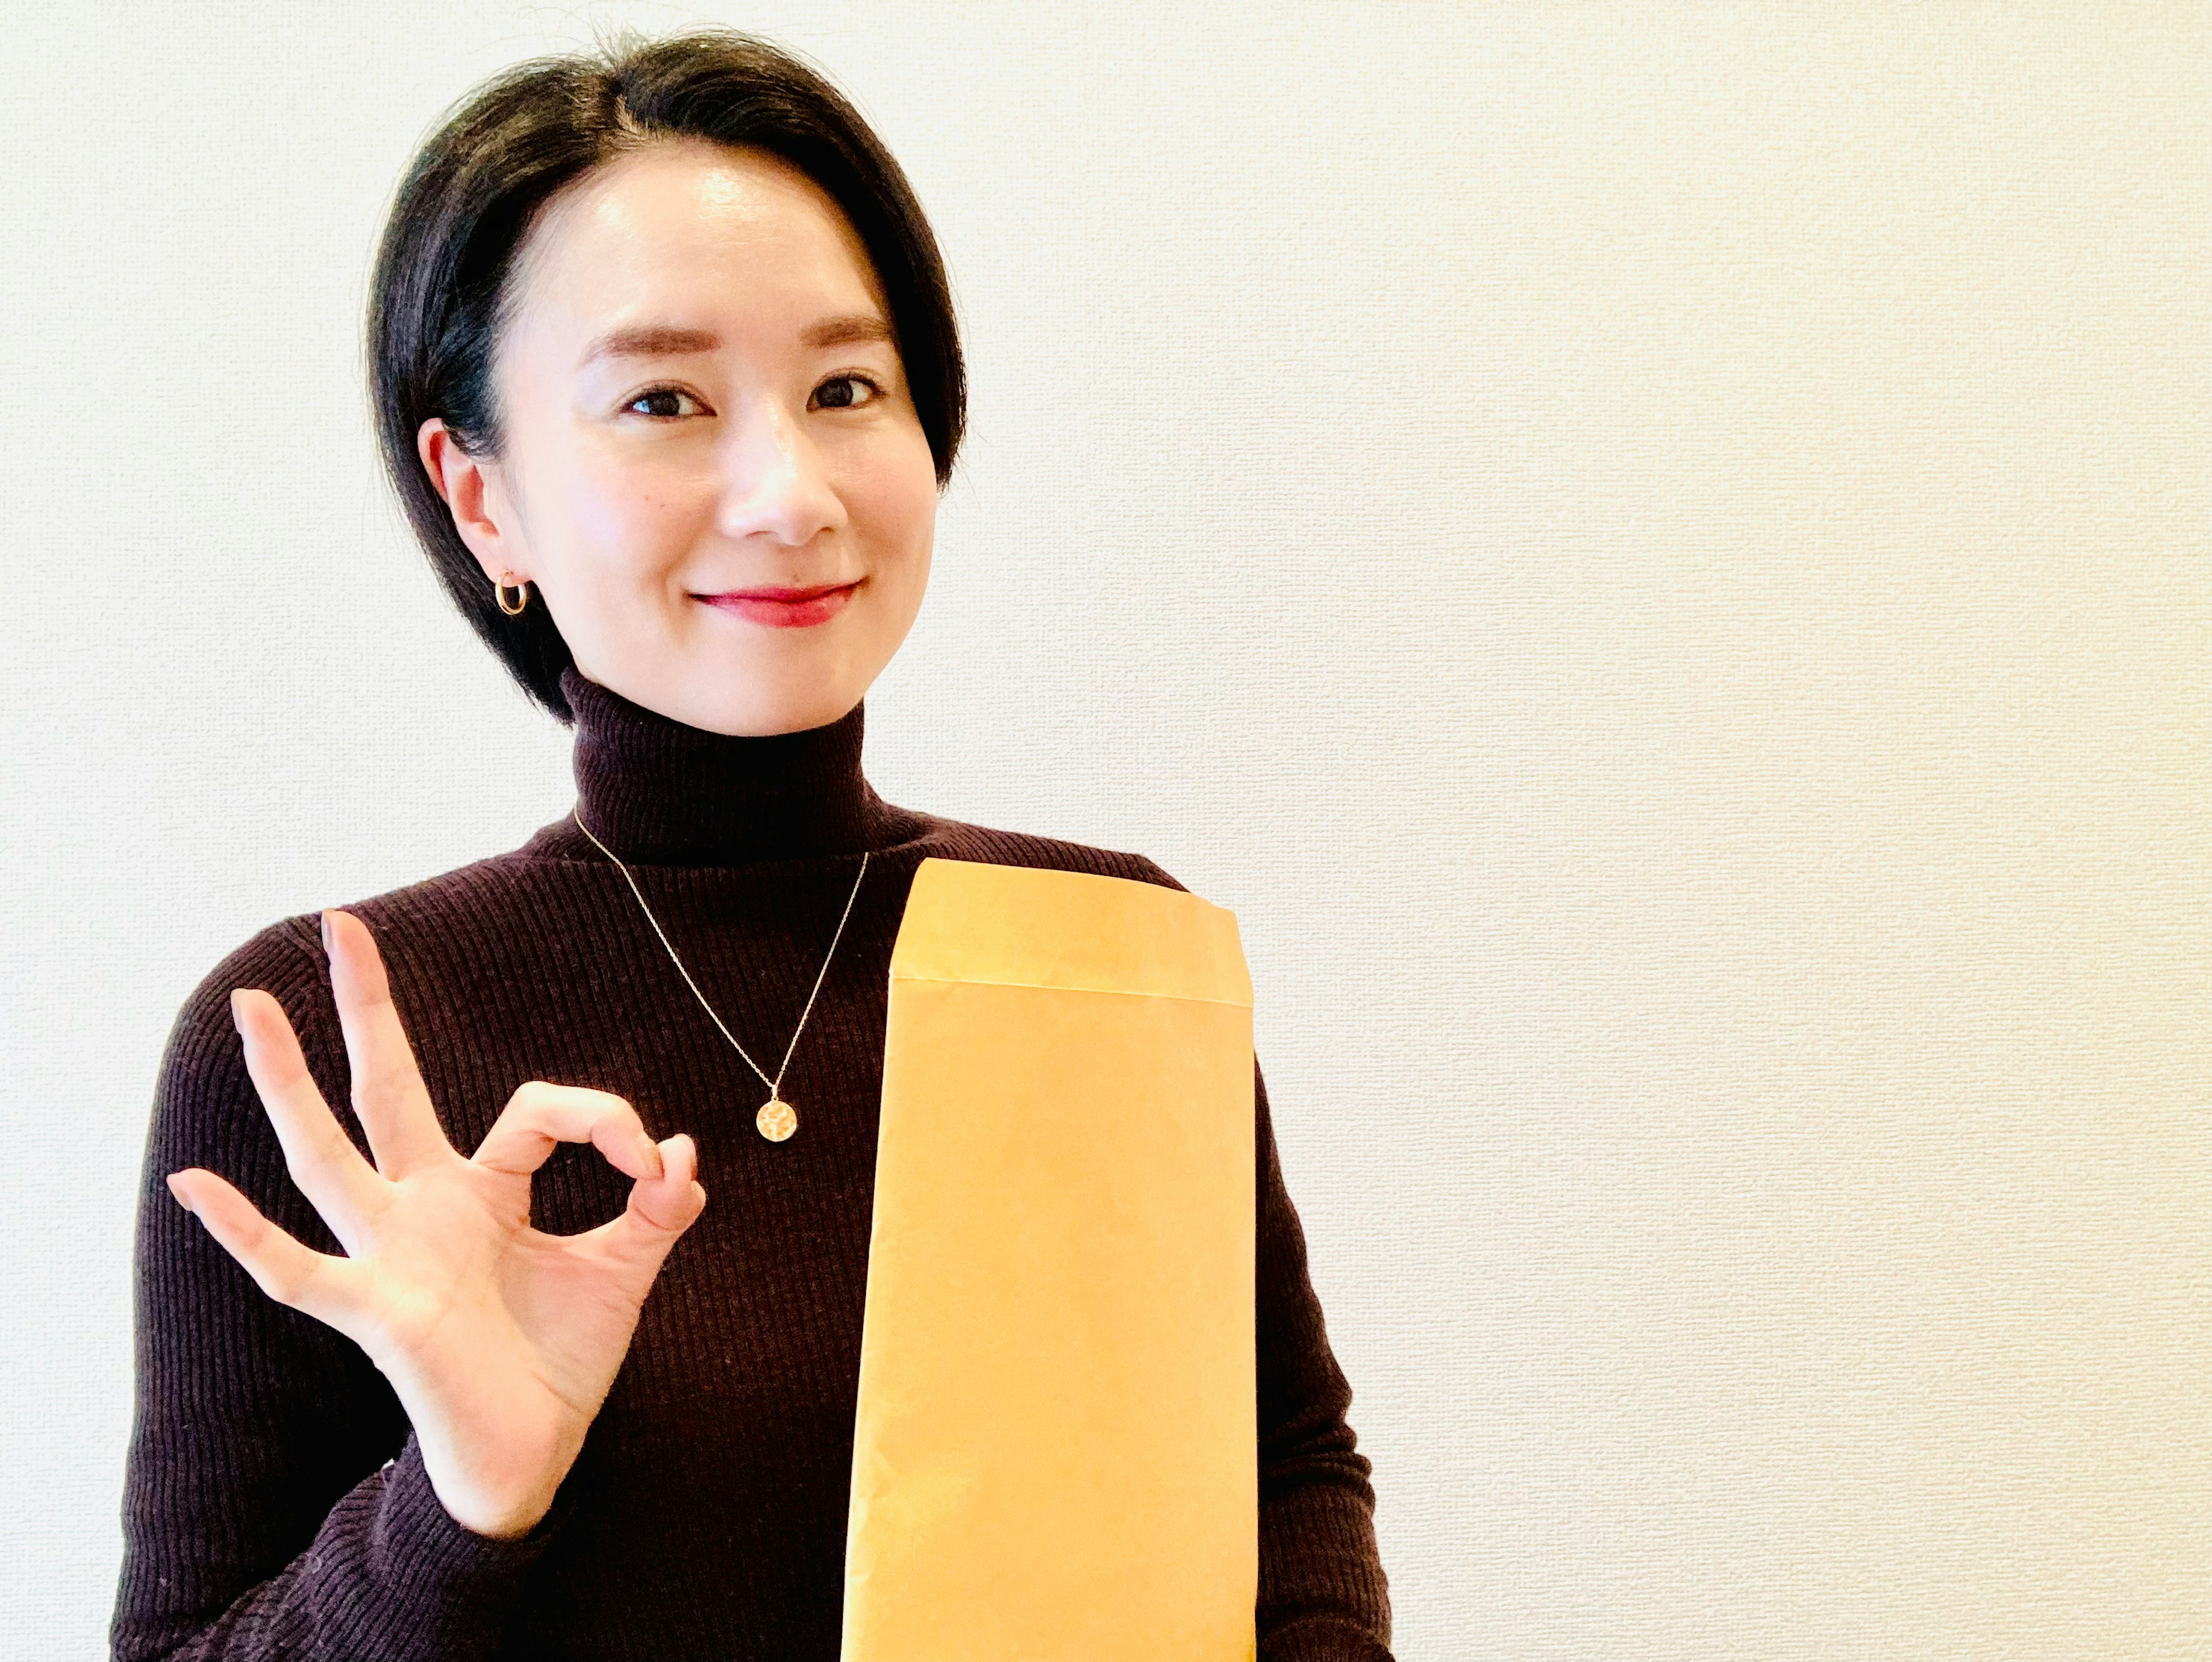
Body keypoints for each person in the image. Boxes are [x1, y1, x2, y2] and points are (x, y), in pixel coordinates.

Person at [111, 28, 1393, 1662]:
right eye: (662, 400)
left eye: (846, 387)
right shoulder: (324, 1040)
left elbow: (1284, 1482)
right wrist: (462, 1501)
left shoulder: (1105, 957)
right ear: (479, 495)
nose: (787, 492)